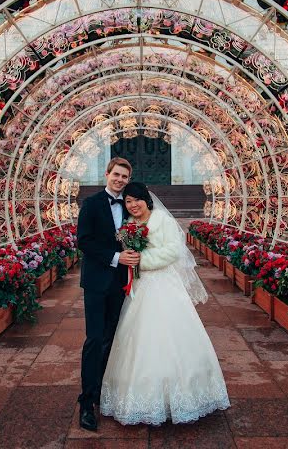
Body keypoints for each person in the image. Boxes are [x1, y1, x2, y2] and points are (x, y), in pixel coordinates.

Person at [100, 181, 230, 425]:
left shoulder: (162, 220)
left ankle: (182, 397)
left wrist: (142, 260)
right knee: (137, 337)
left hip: (163, 284)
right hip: (139, 287)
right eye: (128, 201)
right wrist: (129, 259)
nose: (133, 205)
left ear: (146, 199)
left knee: (170, 335)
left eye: (136, 199)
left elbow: (173, 250)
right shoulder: (128, 225)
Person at [76, 158, 142, 431]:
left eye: (124, 176)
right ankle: (87, 401)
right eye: (116, 174)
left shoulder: (131, 206)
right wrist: (116, 257)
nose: (120, 180)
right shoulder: (91, 204)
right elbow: (84, 241)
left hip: (120, 284)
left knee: (112, 339)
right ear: (107, 174)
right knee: (94, 339)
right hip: (96, 282)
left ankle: (104, 390)